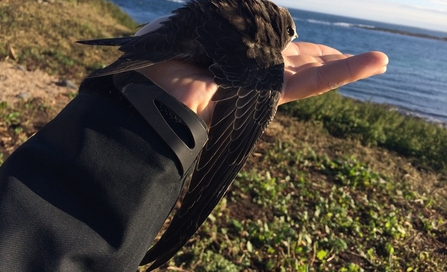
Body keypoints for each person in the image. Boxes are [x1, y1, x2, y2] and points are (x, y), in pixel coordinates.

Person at [0, 16, 388, 271]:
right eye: (289, 37)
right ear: (279, 33)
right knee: (259, 91)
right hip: (186, 49)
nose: (290, 42)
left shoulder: (243, 24)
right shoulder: (262, 49)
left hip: (177, 42)